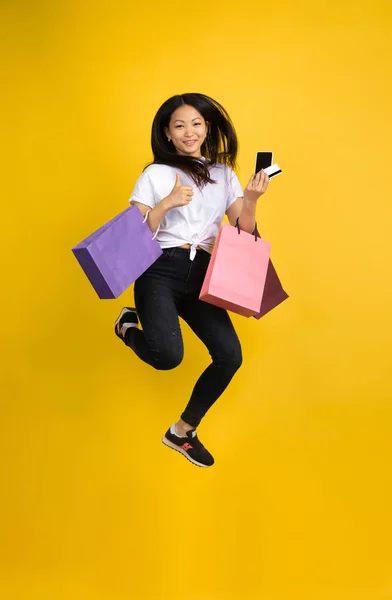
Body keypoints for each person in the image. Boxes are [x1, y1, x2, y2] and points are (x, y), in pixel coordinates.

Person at [114, 93, 269, 468]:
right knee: (168, 358)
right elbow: (135, 237)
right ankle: (127, 326)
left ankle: (183, 432)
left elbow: (244, 232)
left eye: (196, 124)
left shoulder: (223, 174)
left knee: (230, 356)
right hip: (160, 270)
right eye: (179, 125)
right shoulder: (155, 174)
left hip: (204, 274)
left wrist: (250, 200)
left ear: (207, 128)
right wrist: (165, 204)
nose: (189, 132)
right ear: (166, 133)